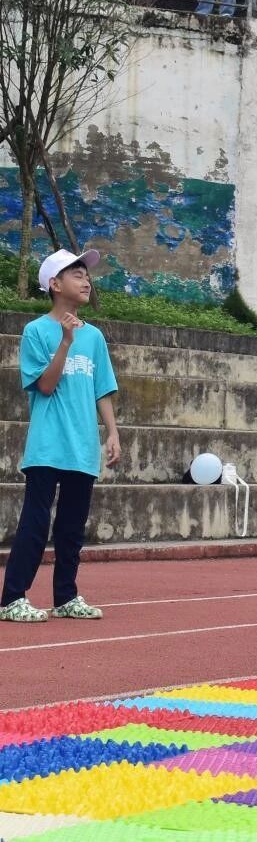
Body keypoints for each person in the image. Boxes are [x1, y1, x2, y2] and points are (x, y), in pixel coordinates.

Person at [1, 249, 120, 623]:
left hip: (82, 446)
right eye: (77, 274)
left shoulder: (95, 336)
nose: (86, 281)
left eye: (87, 275)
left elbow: (102, 389)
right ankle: (12, 598)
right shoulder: (36, 331)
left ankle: (65, 596)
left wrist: (112, 433)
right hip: (48, 445)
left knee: (71, 528)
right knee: (35, 524)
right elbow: (46, 386)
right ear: (55, 284)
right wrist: (65, 341)